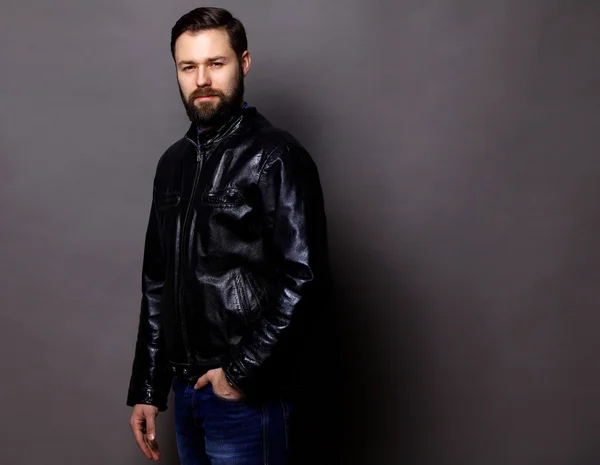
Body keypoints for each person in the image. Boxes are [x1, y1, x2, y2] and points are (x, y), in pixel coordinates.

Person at [126, 6, 332, 464]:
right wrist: (149, 388)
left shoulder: (275, 156)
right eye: (188, 67)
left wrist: (238, 374)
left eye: (215, 64)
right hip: (186, 394)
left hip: (245, 395)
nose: (202, 79)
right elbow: (157, 283)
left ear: (244, 62)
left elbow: (306, 278)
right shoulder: (171, 164)